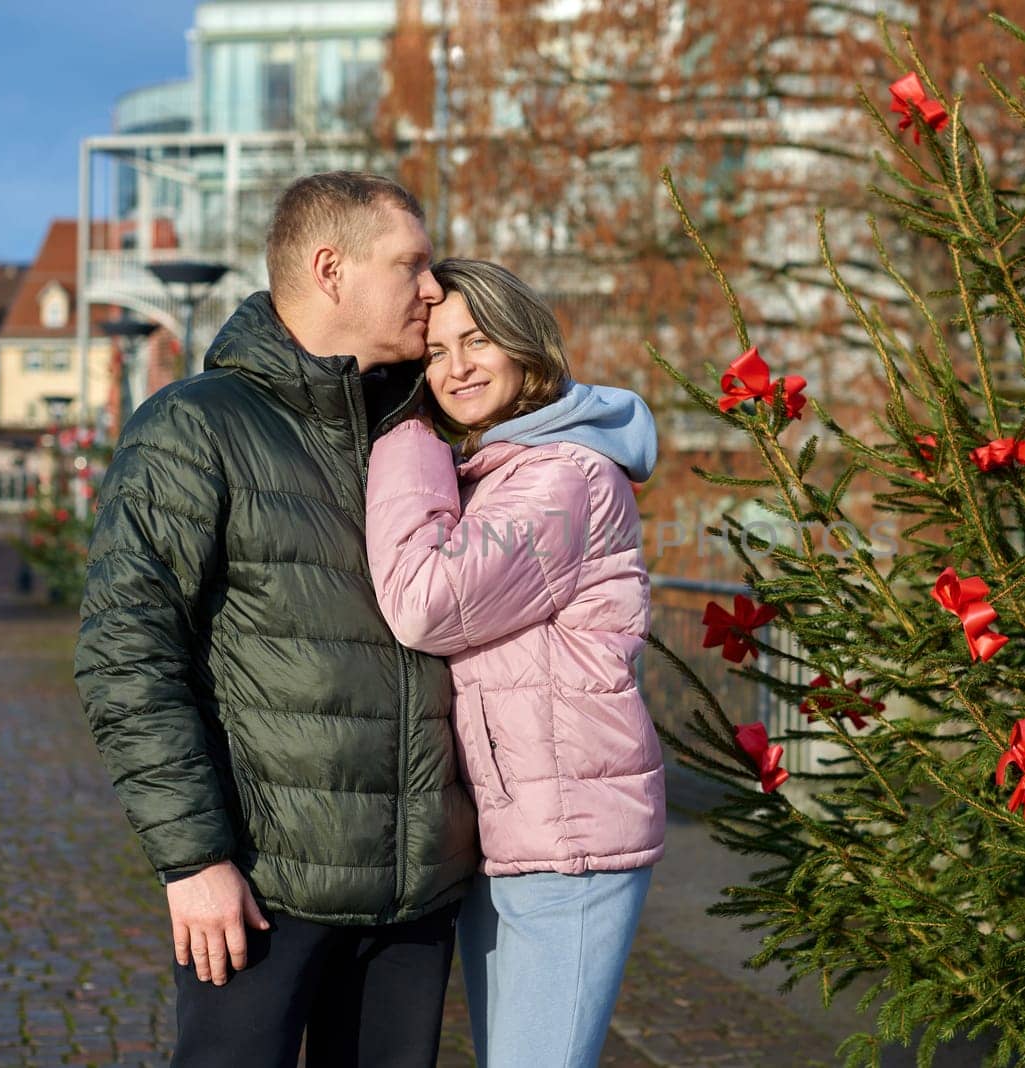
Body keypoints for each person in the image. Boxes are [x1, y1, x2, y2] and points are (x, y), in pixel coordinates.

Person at [73, 172, 478, 1068]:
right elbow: (127, 654)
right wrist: (192, 859)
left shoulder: (425, 425)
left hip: (413, 893)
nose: (433, 290)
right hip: (263, 885)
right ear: (330, 269)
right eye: (410, 264)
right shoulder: (194, 428)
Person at [365, 259, 666, 1068]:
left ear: (525, 345)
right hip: (518, 829)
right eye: (434, 351)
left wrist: (404, 438)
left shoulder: (562, 479)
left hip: (566, 840)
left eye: (477, 340)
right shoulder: (508, 469)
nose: (455, 366)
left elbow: (425, 601)